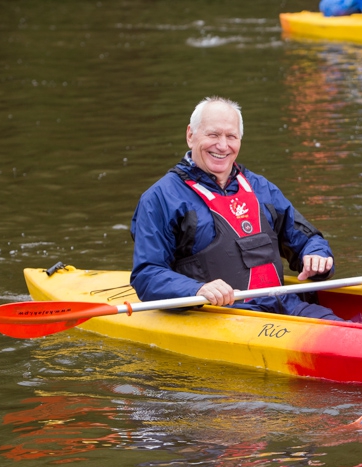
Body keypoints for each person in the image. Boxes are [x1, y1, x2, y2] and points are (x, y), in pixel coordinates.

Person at [130, 96, 343, 321]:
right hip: (223, 316)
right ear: (190, 135)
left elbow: (307, 238)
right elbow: (147, 274)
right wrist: (196, 290)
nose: (222, 146)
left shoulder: (261, 188)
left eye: (231, 136)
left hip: (284, 306)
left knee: (346, 333)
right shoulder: (160, 198)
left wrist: (317, 254)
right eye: (213, 135)